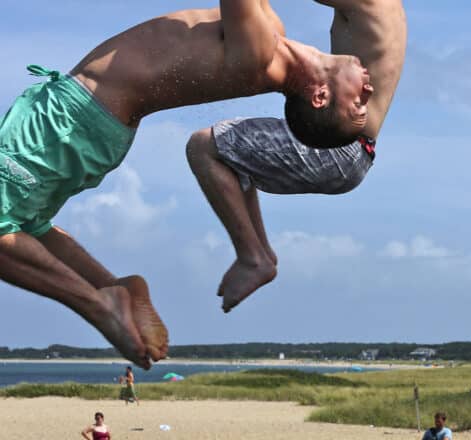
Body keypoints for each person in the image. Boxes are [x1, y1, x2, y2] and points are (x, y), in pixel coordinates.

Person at [0, 0, 373, 368]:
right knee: (27, 225)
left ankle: (97, 304)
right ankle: (112, 285)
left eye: (358, 105)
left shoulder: (258, 49)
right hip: (93, 128)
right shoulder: (268, 36)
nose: (368, 94)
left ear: (320, 96)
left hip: (72, 120)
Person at [186, 0, 407, 312]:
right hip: (352, 152)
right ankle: (259, 254)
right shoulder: (388, 9)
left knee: (203, 147)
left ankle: (253, 255)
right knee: (230, 156)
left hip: (337, 149)